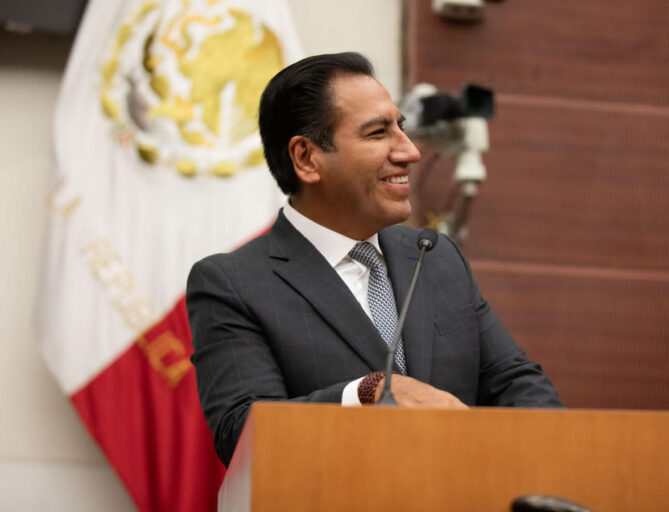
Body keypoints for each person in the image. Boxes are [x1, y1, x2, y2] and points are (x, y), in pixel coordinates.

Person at [187, 52, 561, 466]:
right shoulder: (232, 283)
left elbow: (515, 384)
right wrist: (368, 391)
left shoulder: (436, 257)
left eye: (401, 127)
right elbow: (241, 431)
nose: (410, 152)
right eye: (378, 133)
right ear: (306, 158)